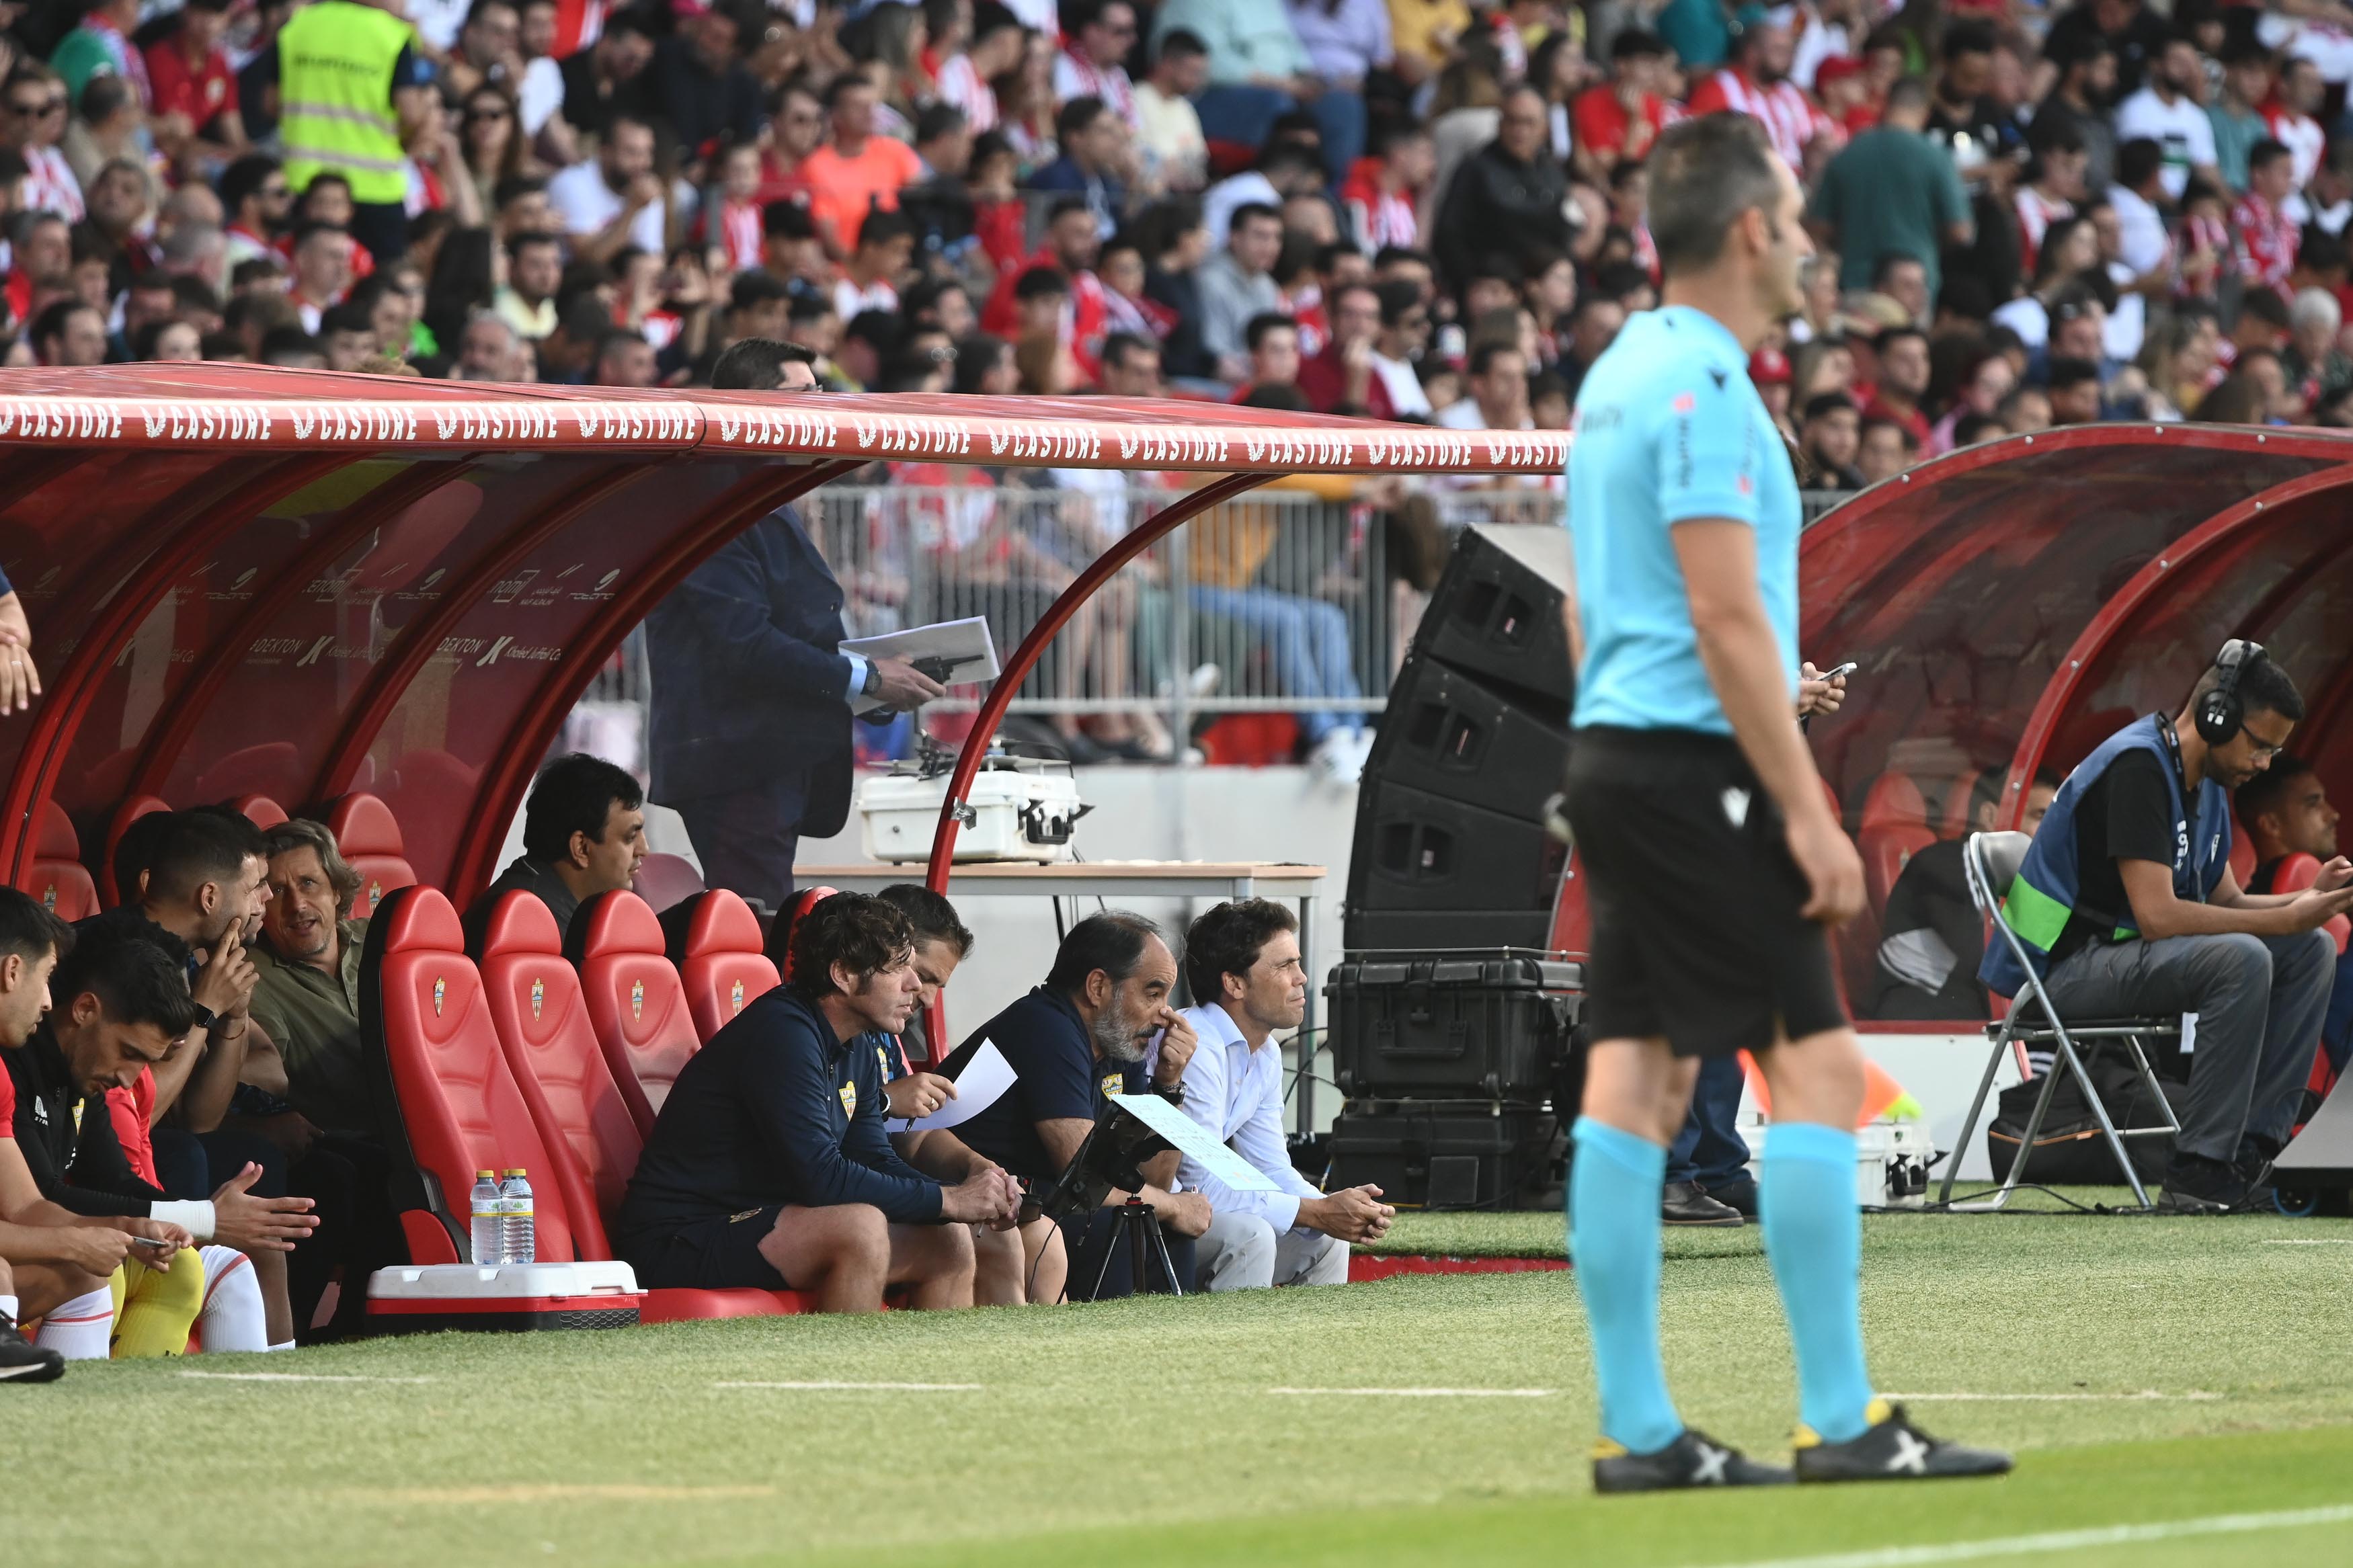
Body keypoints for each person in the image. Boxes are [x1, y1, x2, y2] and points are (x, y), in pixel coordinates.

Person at [1560, 112, 2006, 1490]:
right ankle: (1842, 1416)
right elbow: (1722, 609)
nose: (1817, 246)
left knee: (1631, 1080)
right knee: (1811, 1064)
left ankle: (1642, 1431)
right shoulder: (1702, 383)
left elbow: (1591, 602)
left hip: (1619, 755)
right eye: (1803, 223)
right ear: (1752, 230)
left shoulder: (1618, 371)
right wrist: (1803, 808)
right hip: (1697, 769)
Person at [1981, 644, 2353, 1212]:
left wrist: (2307, 901)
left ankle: (2254, 1153)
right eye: (2260, 745)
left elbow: (2225, 897)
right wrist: (2281, 916)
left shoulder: (2205, 782)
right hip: (2064, 973)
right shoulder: (2139, 767)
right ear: (2217, 717)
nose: (2265, 764)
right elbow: (2158, 916)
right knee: (2245, 956)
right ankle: (2199, 1171)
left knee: (2310, 949)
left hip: (2122, 961)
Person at [646, 339, 944, 911]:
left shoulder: (763, 493)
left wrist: (877, 683)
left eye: (821, 391)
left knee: (762, 924)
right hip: (739, 761)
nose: (820, 405)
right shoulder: (715, 498)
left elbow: (796, 636)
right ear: (753, 402)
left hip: (770, 761)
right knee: (750, 932)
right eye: (804, 393)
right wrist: (867, 677)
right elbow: (746, 644)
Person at [613, 893, 1018, 1313]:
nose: (916, 986)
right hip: (681, 1236)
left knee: (948, 1239)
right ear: (843, 974)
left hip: (761, 1221)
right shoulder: (782, 1033)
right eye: (898, 968)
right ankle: (844, 1376)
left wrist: (964, 1198)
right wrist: (950, 1200)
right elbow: (821, 1179)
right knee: (859, 1226)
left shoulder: (855, 1042)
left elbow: (873, 1158)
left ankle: (925, 1377)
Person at [942, 913, 1205, 1300]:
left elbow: (1151, 1179)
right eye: (1153, 993)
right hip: (982, 1202)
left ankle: (1167, 1351)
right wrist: (1173, 1206)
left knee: (1164, 1227)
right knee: (1114, 1221)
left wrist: (1169, 1084)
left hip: (1044, 1200)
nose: (1165, 1014)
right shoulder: (1046, 1026)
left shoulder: (1120, 1042)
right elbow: (1084, 1180)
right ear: (1098, 986)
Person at [1174, 900, 1390, 1290]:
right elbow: (1199, 1185)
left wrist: (1336, 1209)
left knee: (1326, 1240)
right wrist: (1317, 1210)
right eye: (1283, 966)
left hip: (1198, 1211)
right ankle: (1228, 1349)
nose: (1302, 977)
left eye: (1298, 963)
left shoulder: (1267, 1051)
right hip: (1154, 1215)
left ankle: (1311, 1350)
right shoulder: (1197, 1045)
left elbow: (1271, 1168)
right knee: (1250, 1236)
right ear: (1234, 984)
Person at [871, 883, 1065, 1305]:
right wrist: (885, 1099)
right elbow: (833, 1133)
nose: (926, 996)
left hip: (889, 1182)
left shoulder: (884, 1034)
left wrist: (981, 1169)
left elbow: (914, 1133)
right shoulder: (816, 1029)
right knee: (992, 1241)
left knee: (1045, 1238)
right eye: (922, 976)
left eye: (938, 984)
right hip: (856, 1198)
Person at [1872, 774, 2060, 1020]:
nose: (2049, 831)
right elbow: (1986, 955)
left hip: (1972, 1022)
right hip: (1927, 1027)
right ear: (1991, 816)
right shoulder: (1947, 863)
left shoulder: (2021, 877)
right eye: (2039, 815)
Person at [272, 0, 437, 261]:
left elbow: (271, 102)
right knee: (379, 288)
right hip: (376, 188)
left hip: (304, 180)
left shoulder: (299, 25)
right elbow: (410, 112)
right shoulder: (391, 33)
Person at [2237, 756, 2353, 1078]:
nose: (2334, 814)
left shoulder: (2253, 897)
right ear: (2271, 824)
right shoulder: (2299, 885)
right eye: (2313, 803)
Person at [1807, 77, 1971, 300]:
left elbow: (1818, 228)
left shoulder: (1848, 155)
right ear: (1925, 112)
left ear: (1886, 105)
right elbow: (1960, 231)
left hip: (1855, 286)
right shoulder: (1937, 159)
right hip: (1914, 289)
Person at [485, 753, 649, 937]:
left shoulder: (545, 904)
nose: (644, 850)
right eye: (630, 836)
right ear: (581, 848)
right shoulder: (529, 922)